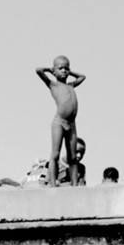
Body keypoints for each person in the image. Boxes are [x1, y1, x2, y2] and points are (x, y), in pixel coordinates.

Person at [34, 56, 85, 186]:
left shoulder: (71, 85)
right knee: (55, 154)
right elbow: (38, 70)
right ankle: (52, 184)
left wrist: (70, 72)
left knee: (72, 157)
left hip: (71, 124)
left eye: (66, 68)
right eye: (60, 68)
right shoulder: (52, 85)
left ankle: (74, 185)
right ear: (54, 70)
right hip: (59, 122)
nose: (64, 71)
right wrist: (50, 70)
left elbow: (82, 77)